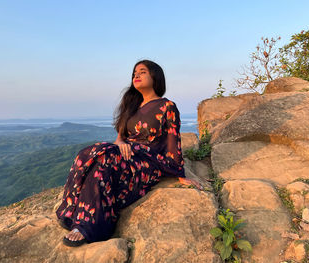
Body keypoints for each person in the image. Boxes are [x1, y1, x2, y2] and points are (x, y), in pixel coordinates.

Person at [56, 59, 201, 247]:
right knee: (89, 156)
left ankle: (89, 226)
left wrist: (180, 174)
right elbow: (119, 137)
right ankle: (75, 212)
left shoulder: (167, 106)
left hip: (148, 161)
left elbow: (173, 142)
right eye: (134, 73)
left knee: (104, 158)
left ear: (155, 76)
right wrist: (122, 143)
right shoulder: (132, 105)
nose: (136, 75)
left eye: (142, 72)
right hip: (125, 156)